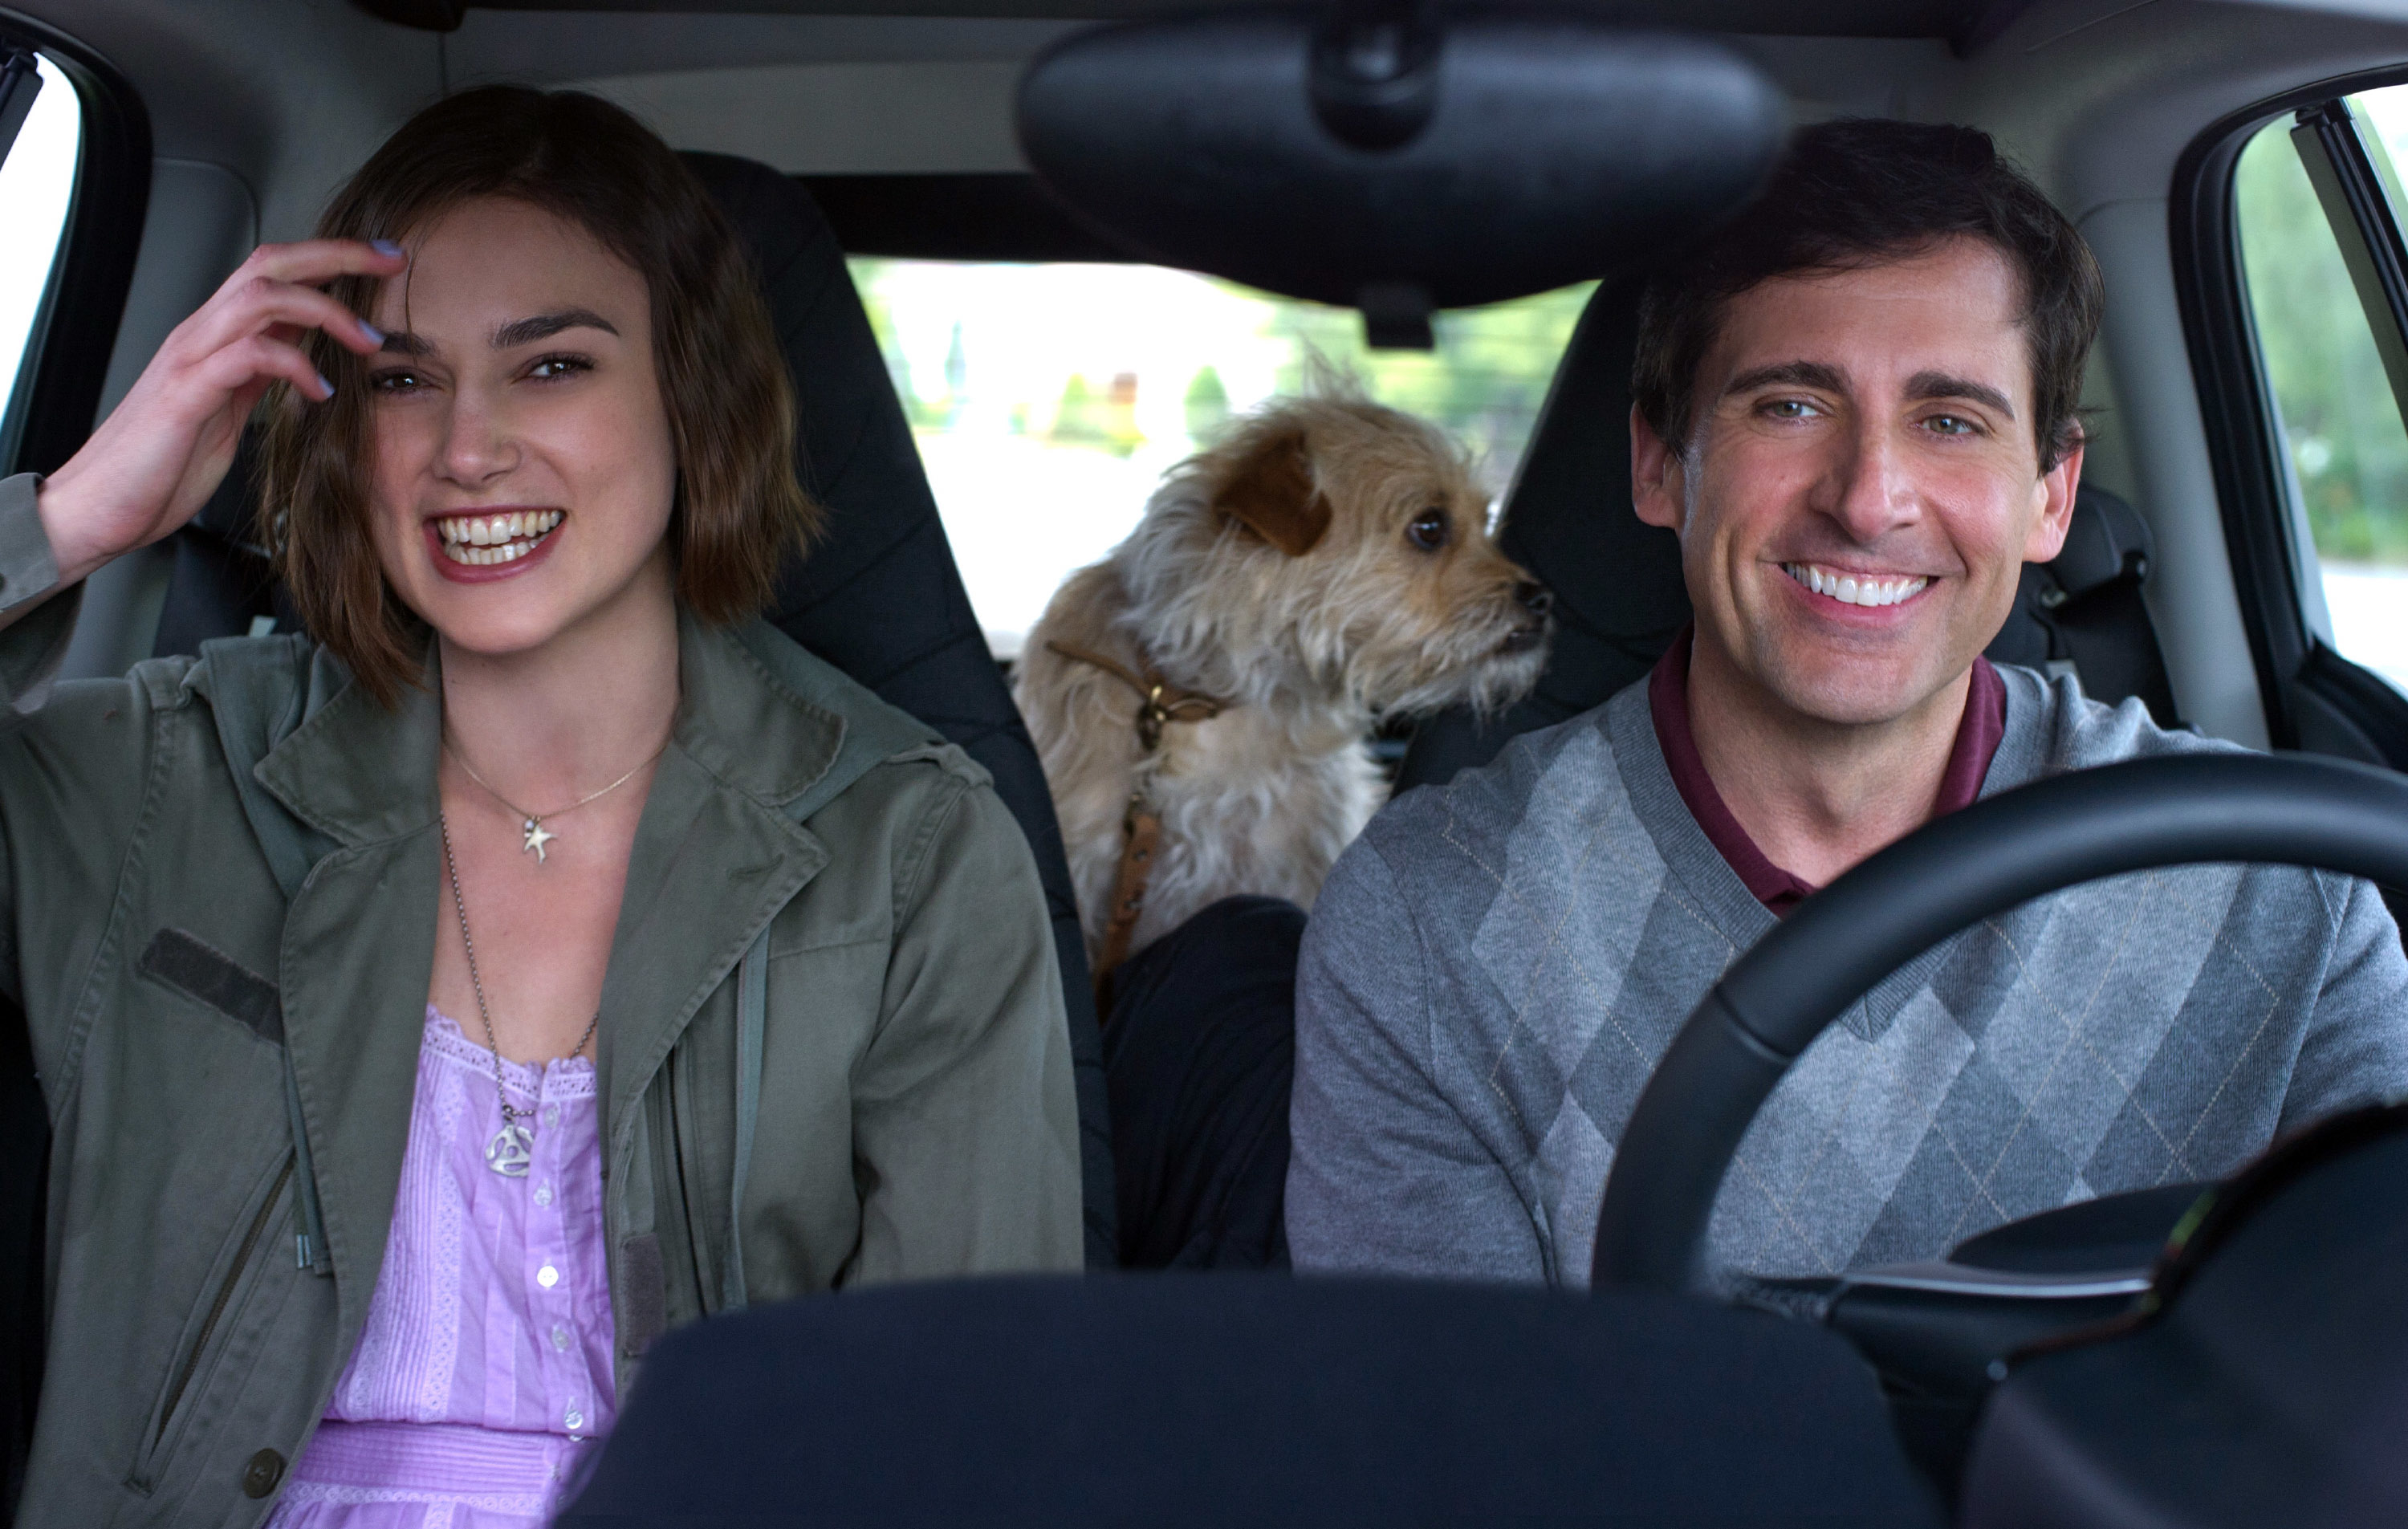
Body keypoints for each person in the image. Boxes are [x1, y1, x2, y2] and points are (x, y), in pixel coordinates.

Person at [0, 87, 1080, 1525]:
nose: (467, 448)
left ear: (693, 398)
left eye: (551, 366)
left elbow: (961, 1429)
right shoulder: (165, 776)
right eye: (400, 379)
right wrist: (73, 517)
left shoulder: (910, 855)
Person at [1285, 118, 2408, 1285]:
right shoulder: (1426, 929)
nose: (1870, 501)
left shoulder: (2283, 893)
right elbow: (1459, 1446)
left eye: (1951, 421)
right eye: (1791, 405)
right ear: (1660, 464)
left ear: (2052, 497)